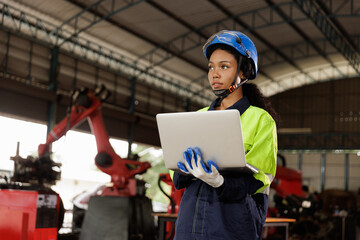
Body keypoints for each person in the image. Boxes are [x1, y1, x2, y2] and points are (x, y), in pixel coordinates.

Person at [170, 30, 278, 240]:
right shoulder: (198, 116)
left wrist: (219, 181)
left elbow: (260, 178)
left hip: (233, 224)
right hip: (190, 224)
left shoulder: (260, 120)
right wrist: (187, 170)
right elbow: (178, 179)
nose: (214, 74)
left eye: (224, 66)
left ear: (244, 71)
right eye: (211, 66)